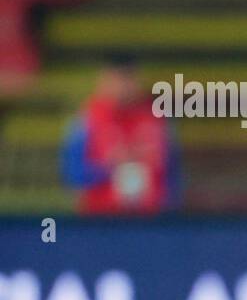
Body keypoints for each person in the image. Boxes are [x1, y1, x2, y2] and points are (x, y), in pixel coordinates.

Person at [61, 58, 179, 214]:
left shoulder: (157, 119)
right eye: (117, 80)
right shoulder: (86, 120)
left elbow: (173, 171)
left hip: (151, 219)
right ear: (103, 82)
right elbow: (72, 174)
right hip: (101, 218)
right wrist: (108, 168)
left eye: (128, 80)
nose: (123, 87)